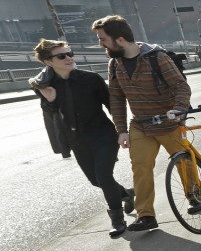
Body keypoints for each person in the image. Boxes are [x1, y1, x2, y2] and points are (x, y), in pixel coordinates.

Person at [93, 15, 193, 232]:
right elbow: (117, 99)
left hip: (168, 123)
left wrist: (178, 109)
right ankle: (146, 215)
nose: (100, 44)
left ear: (119, 40)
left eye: (103, 39)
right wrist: (121, 131)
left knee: (183, 162)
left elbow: (180, 87)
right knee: (140, 168)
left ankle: (194, 195)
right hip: (140, 125)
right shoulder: (114, 64)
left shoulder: (157, 58)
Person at [29, 39, 135, 237]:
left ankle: (118, 220)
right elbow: (50, 115)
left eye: (70, 53)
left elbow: (113, 105)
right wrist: (51, 100)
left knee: (104, 176)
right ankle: (127, 194)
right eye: (62, 56)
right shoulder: (44, 85)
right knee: (96, 181)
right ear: (48, 61)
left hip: (103, 135)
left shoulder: (91, 78)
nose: (68, 58)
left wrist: (123, 130)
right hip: (77, 140)